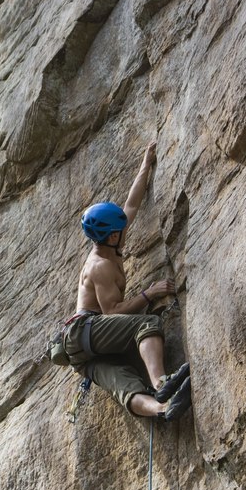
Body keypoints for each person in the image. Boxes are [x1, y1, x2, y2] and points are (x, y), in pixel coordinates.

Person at [63, 142, 192, 420]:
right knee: (147, 322)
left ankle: (163, 409)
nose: (125, 230)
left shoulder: (110, 241)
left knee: (127, 384)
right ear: (112, 236)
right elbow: (111, 311)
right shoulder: (99, 266)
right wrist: (149, 293)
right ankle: (162, 384)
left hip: (84, 355)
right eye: (121, 230)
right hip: (87, 330)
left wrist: (146, 165)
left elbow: (131, 204)